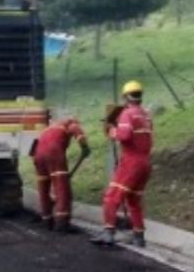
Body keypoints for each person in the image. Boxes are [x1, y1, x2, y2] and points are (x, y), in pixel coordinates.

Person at [91, 80, 153, 248]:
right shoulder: (145, 115)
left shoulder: (127, 114)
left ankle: (108, 233)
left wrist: (111, 131)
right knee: (133, 200)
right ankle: (138, 236)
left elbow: (125, 135)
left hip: (131, 162)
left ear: (126, 97)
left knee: (111, 197)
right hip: (145, 163)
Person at [31, 116, 90, 231]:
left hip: (37, 156)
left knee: (43, 189)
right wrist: (84, 146)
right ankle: (62, 223)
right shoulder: (69, 123)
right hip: (54, 153)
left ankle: (47, 220)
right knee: (62, 188)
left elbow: (34, 146)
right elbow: (76, 131)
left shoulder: (46, 129)